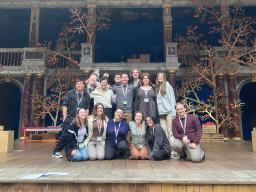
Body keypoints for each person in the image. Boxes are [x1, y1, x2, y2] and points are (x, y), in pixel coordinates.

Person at [52, 78, 90, 158]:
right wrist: (65, 118)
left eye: (81, 84)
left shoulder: (86, 94)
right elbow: (65, 105)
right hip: (70, 117)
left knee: (74, 136)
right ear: (75, 86)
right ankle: (56, 151)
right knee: (65, 135)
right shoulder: (70, 93)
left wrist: (86, 118)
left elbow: (87, 107)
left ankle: (71, 151)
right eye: (77, 84)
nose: (79, 85)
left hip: (80, 119)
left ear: (84, 85)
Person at [155, 72, 176, 157]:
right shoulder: (157, 87)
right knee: (164, 132)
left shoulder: (168, 86)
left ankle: (174, 151)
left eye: (161, 76)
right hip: (161, 113)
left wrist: (173, 113)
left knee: (170, 132)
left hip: (168, 112)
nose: (160, 77)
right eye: (158, 76)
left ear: (164, 78)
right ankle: (168, 150)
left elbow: (172, 99)